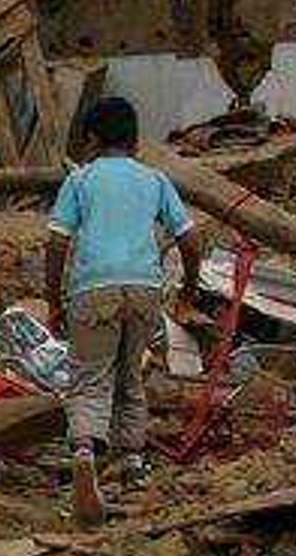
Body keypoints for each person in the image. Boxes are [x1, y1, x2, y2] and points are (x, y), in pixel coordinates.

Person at [44, 96, 199, 526]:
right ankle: (131, 462)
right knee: (130, 377)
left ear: (92, 139)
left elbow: (56, 242)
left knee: (90, 379)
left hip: (94, 291)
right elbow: (190, 240)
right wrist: (188, 291)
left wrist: (54, 300)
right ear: (134, 139)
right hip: (145, 290)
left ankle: (84, 454)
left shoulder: (80, 181)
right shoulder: (155, 180)